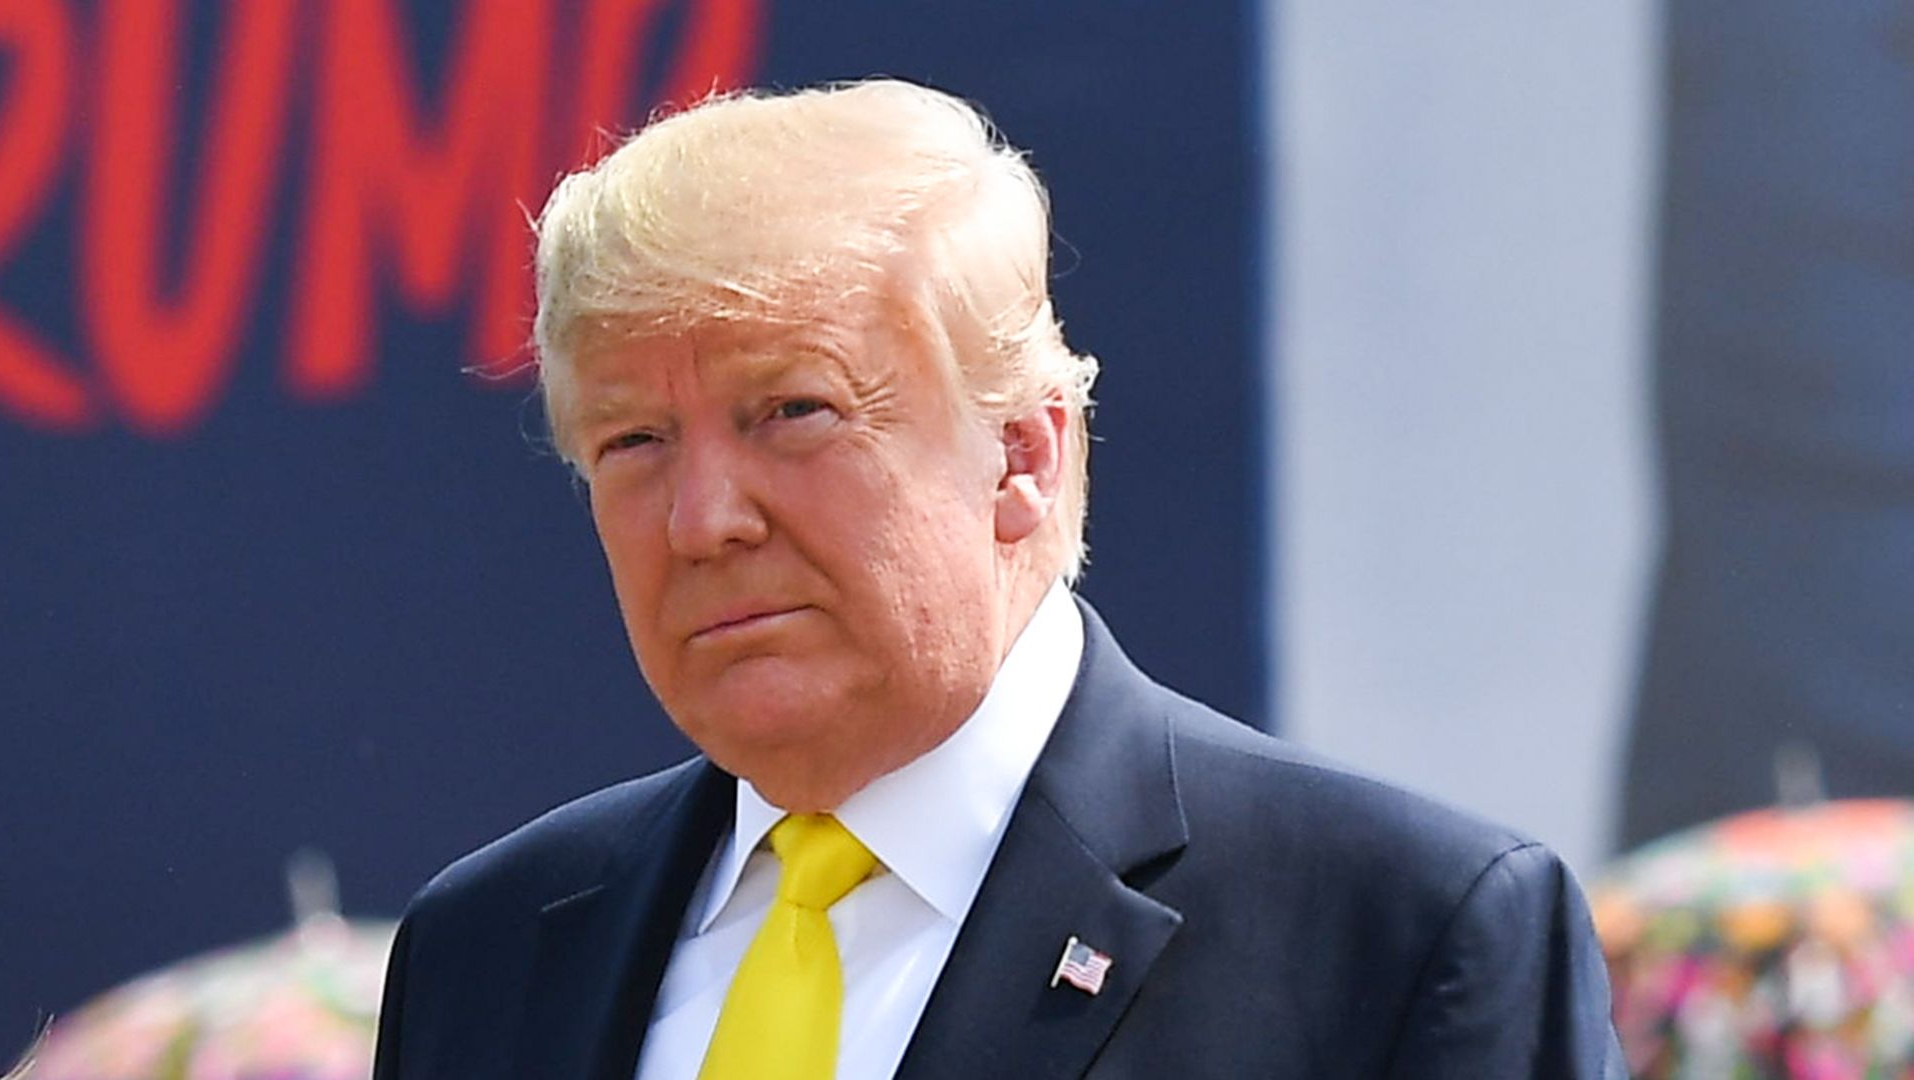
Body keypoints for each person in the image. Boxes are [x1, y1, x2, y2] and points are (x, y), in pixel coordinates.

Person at [372, 79, 1624, 1079]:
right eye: (633, 442)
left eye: (793, 412)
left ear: (1023, 453)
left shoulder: (1398, 937)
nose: (702, 521)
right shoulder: (488, 950)